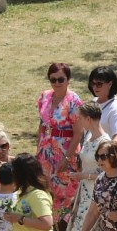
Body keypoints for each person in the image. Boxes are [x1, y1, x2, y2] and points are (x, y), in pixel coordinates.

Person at [67, 101, 109, 231]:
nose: (79, 121)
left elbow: (108, 172)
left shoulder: (104, 142)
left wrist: (85, 175)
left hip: (95, 195)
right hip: (85, 193)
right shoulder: (89, 137)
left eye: (81, 118)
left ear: (89, 119)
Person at [35, 62, 82, 218]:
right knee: (46, 189)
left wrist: (67, 158)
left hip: (65, 153)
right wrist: (38, 149)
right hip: (45, 152)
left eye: (61, 79)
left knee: (65, 194)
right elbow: (41, 124)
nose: (57, 83)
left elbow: (78, 133)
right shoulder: (44, 96)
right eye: (53, 79)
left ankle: (64, 227)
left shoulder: (74, 101)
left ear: (68, 80)